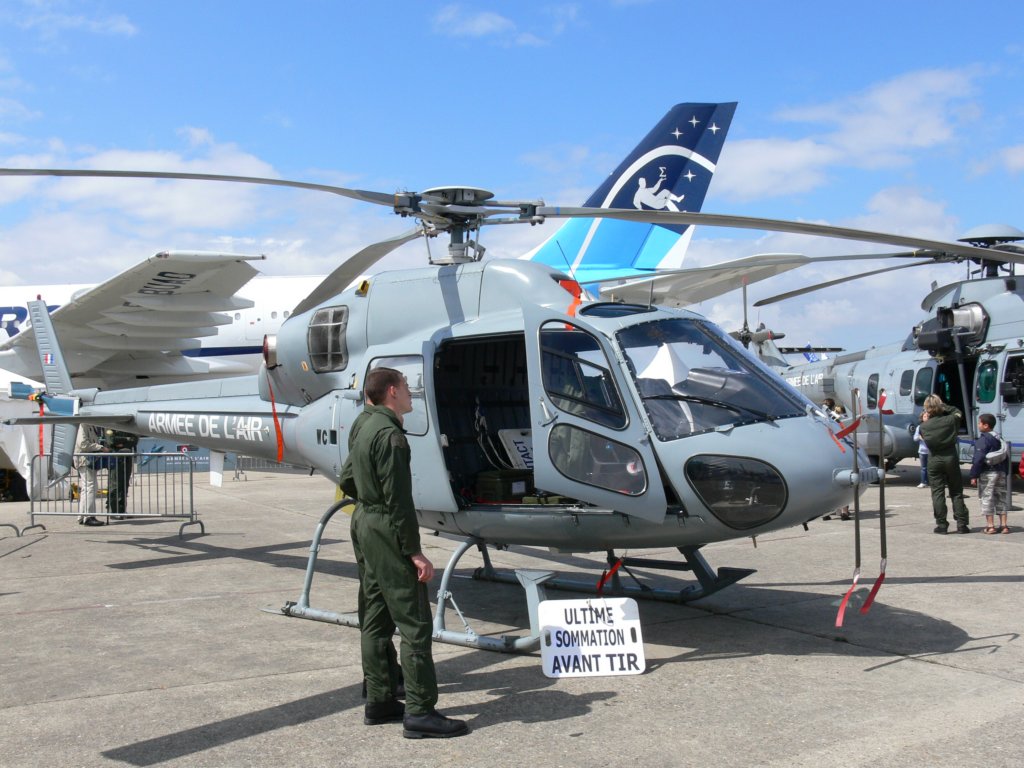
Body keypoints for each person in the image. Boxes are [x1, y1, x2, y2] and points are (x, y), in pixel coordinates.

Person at [339, 367, 468, 739]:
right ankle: (420, 710)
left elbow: (347, 478)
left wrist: (369, 500)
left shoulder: (362, 424)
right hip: (384, 526)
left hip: (363, 522)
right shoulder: (391, 436)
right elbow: (399, 501)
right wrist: (414, 552)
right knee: (414, 623)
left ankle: (379, 699)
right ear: (392, 391)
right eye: (407, 388)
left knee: (375, 615)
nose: (411, 394)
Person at [919, 394, 971, 534]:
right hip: (950, 457)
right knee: (956, 492)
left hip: (934, 459)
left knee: (937, 493)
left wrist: (925, 419)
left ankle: (941, 524)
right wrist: (942, 406)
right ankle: (962, 524)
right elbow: (957, 412)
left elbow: (923, 436)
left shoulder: (924, 426)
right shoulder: (950, 420)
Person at [969, 413, 1010, 534]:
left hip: (988, 472)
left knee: (987, 498)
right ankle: (1004, 526)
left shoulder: (983, 440)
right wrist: (1005, 472)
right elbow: (1006, 456)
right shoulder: (999, 438)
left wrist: (973, 475)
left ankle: (990, 526)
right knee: (1001, 497)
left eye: (979, 423)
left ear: (986, 425)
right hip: (1001, 472)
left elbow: (978, 459)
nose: (978, 425)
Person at [75, 424, 109, 526]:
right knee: (90, 487)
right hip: (84, 460)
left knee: (87, 488)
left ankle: (82, 516)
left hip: (87, 460)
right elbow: (83, 444)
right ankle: (89, 516)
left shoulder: (90, 425)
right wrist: (100, 447)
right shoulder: (84, 425)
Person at [105, 429, 139, 518]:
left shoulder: (127, 426)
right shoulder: (110, 425)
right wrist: (127, 439)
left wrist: (122, 443)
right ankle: (113, 511)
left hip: (127, 457)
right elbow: (111, 441)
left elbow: (135, 440)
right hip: (115, 457)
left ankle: (122, 510)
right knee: (115, 485)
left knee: (124, 484)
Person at [913, 412, 930, 488]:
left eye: (928, 416)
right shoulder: (919, 427)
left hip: (931, 451)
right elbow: (915, 438)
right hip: (922, 451)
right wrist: (919, 437)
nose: (926, 418)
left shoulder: (932, 426)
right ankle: (923, 482)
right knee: (923, 468)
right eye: (925, 416)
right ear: (922, 418)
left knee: (932, 468)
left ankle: (933, 482)